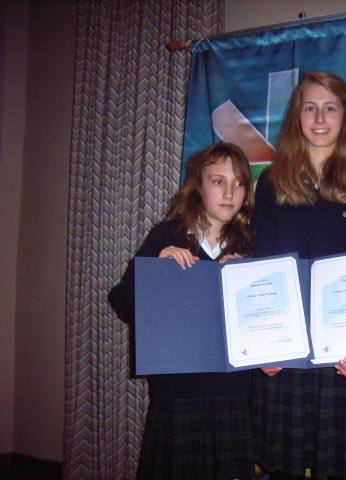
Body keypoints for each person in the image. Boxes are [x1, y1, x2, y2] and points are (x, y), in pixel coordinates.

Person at [251, 71, 346, 480]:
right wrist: (261, 347)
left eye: (330, 108)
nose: (319, 119)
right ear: (296, 116)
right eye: (309, 108)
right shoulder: (271, 183)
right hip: (286, 352)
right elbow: (260, 271)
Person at [108, 142, 256, 480]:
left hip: (232, 390)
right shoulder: (167, 235)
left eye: (238, 183)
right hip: (177, 390)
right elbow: (122, 301)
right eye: (218, 181)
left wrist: (248, 278)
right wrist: (156, 273)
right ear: (198, 186)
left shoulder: (250, 243)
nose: (229, 193)